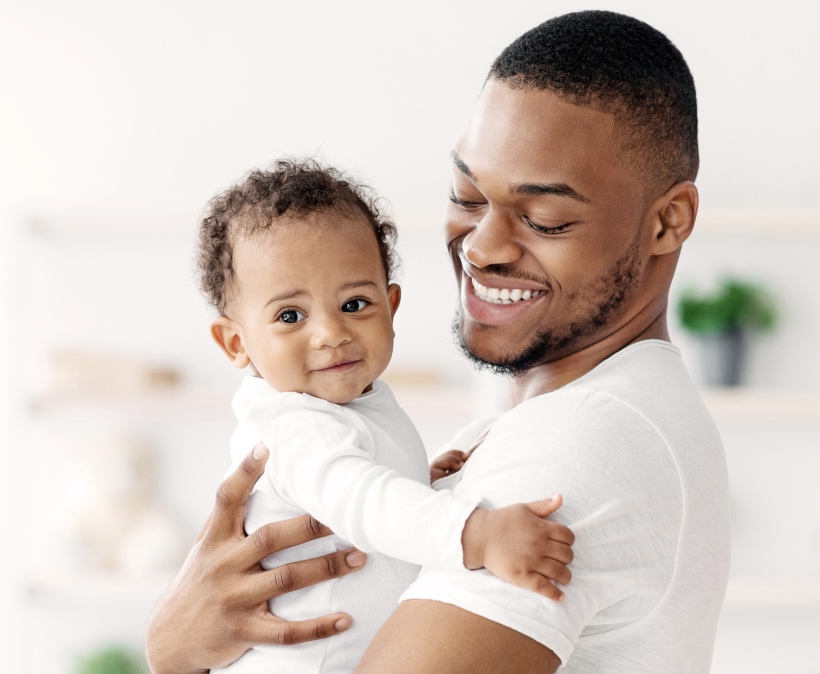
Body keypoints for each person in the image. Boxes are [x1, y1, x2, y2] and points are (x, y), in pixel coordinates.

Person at [146, 10, 730, 674]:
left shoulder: (579, 441)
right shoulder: (572, 420)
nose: (482, 247)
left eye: (544, 217)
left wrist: (173, 650)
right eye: (468, 196)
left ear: (668, 221)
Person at [194, 158, 576, 673]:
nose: (331, 333)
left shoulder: (348, 404)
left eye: (354, 304)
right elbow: (366, 501)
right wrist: (478, 534)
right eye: (290, 316)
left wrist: (416, 477)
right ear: (236, 343)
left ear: (391, 306)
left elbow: (362, 495)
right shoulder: (292, 425)